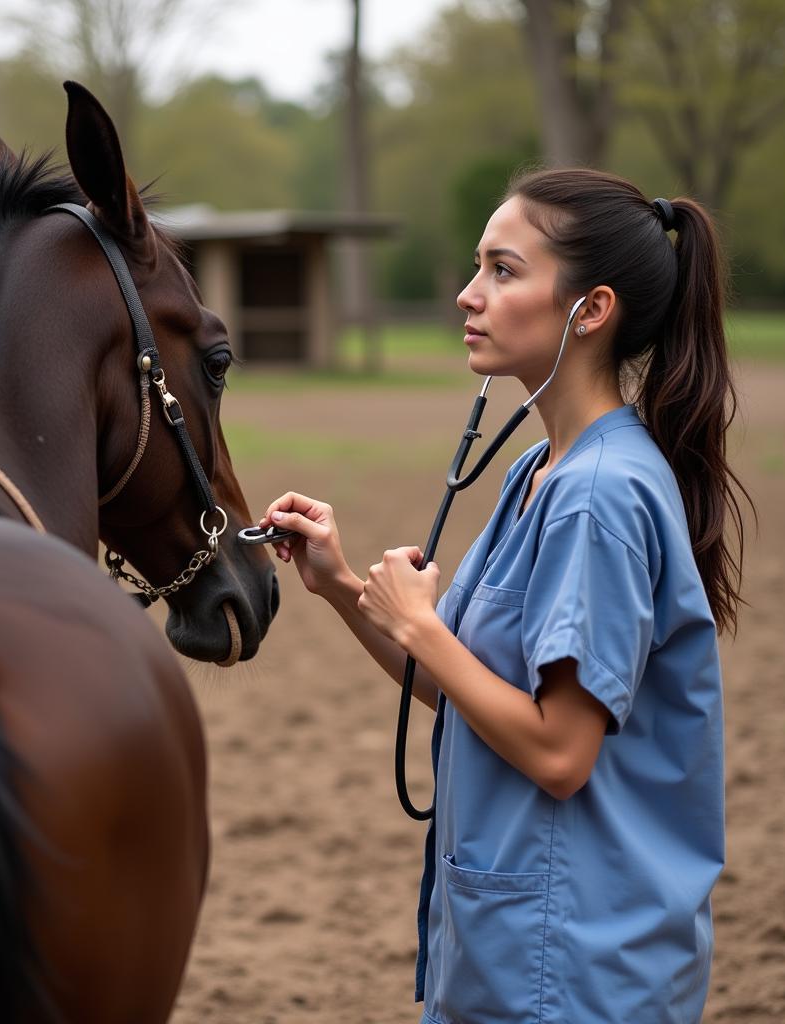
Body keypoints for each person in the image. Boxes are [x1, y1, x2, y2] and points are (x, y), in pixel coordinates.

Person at [258, 168, 752, 1024]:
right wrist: (343, 587)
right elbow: (463, 687)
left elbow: (560, 754)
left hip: (577, 970)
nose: (466, 293)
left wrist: (421, 624)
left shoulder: (600, 495)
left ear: (589, 310)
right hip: (507, 952)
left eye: (502, 270)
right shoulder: (540, 470)